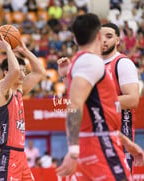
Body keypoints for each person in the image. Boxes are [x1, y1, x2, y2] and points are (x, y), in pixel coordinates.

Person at [55, 13, 131, 180]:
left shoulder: (80, 62)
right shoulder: (91, 62)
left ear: (75, 39)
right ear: (98, 35)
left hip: (98, 142)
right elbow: (74, 105)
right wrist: (73, 151)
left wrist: (130, 146)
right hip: (100, 146)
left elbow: (95, 113)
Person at [0, 33, 46, 181]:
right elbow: (14, 70)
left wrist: (24, 50)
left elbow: (40, 72)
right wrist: (8, 48)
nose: (22, 73)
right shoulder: (2, 89)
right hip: (6, 154)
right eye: (20, 70)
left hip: (20, 155)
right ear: (5, 73)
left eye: (24, 71)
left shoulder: (19, 90)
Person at [101, 22, 140, 171]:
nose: (104, 40)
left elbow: (133, 99)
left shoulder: (122, 63)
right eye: (101, 37)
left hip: (120, 131)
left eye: (109, 36)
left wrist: (98, 103)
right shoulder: (94, 65)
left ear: (117, 40)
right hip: (97, 132)